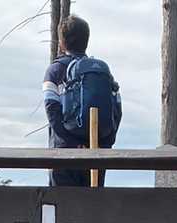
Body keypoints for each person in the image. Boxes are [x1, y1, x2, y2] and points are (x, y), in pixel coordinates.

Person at [42, 15, 122, 187]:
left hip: (63, 154)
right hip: (96, 152)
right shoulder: (101, 72)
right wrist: (103, 144)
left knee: (62, 201)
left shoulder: (55, 70)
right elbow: (117, 109)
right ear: (86, 41)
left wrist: (73, 144)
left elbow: (52, 110)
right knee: (92, 201)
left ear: (61, 43)